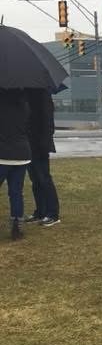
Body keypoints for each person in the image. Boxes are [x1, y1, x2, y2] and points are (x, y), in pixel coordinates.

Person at [25, 88, 61, 227]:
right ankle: (40, 211)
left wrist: (44, 142)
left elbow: (48, 121)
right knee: (35, 179)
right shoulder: (27, 93)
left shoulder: (43, 94)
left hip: (40, 144)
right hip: (29, 142)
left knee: (44, 178)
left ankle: (53, 213)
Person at [0, 88, 31, 240]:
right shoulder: (24, 105)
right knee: (16, 192)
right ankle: (16, 227)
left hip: (3, 154)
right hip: (21, 154)